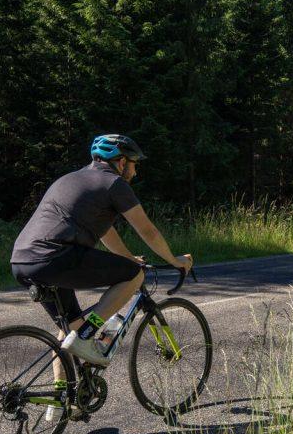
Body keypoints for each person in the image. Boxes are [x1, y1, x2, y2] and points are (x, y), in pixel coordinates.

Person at [10, 134, 193, 370]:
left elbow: (105, 232)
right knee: (134, 274)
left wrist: (127, 258)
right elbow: (148, 231)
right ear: (121, 162)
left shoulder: (70, 179)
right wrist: (174, 260)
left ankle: (59, 404)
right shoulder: (114, 183)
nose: (135, 172)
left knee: (69, 330)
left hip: (21, 260)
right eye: (134, 164)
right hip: (56, 257)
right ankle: (87, 335)